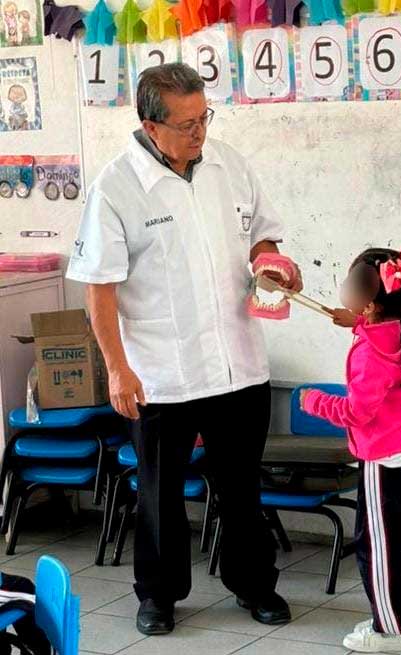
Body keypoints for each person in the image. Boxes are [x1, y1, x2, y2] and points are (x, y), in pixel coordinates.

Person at [67, 63, 301, 636]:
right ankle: (159, 596)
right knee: (159, 494)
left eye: (205, 118)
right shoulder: (116, 186)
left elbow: (260, 236)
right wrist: (116, 370)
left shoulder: (229, 164)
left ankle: (254, 584)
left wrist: (271, 263)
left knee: (241, 487)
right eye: (187, 124)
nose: (200, 133)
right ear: (150, 124)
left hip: (237, 363)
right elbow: (100, 287)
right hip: (159, 373)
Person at [300, 247, 401, 653]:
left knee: (377, 548)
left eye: (347, 283)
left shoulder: (369, 354)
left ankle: (391, 631)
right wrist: (360, 323)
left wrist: (313, 402)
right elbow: (388, 338)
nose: (342, 288)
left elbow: (357, 413)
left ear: (371, 302)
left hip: (382, 462)